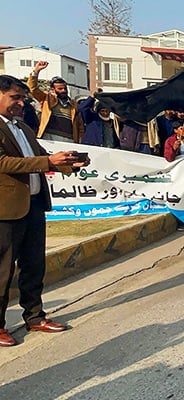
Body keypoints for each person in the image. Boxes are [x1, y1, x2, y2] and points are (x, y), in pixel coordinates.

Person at [0, 74, 90, 346]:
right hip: (6, 211)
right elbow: (4, 162)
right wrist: (47, 160)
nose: (20, 103)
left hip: (34, 205)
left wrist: (68, 164)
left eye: (22, 98)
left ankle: (35, 316)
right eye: (15, 98)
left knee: (34, 266)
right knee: (2, 271)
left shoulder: (25, 128)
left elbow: (40, 160)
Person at [27, 61, 84, 143]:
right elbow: (32, 89)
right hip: (49, 137)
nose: (63, 91)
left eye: (65, 88)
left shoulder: (73, 105)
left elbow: (80, 125)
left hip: (69, 139)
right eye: (60, 89)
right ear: (53, 89)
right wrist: (36, 71)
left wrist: (80, 140)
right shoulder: (47, 98)